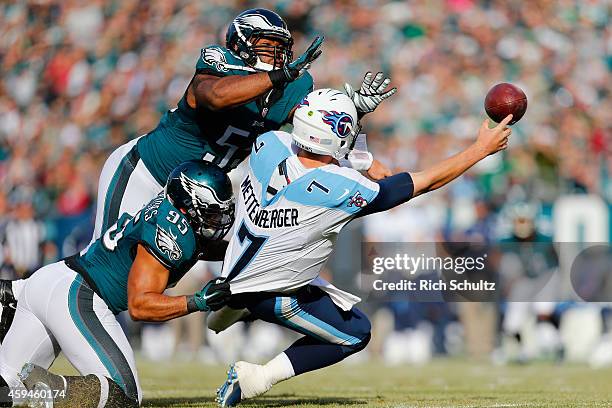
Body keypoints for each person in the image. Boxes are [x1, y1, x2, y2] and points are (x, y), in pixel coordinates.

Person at [0, 7, 395, 343]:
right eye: (268, 47)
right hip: (146, 173)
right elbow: (214, 96)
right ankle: (20, 295)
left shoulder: (293, 86)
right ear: (242, 44)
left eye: (281, 49)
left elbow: (318, 130)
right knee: (104, 269)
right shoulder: (219, 61)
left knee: (236, 248)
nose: (277, 56)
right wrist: (278, 78)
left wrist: (356, 113)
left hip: (199, 192)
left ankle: (238, 303)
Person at [212, 88, 512, 406]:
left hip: (237, 267)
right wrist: (479, 150)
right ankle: (256, 377)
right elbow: (425, 182)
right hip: (274, 289)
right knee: (356, 332)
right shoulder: (338, 189)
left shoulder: (267, 145)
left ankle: (234, 304)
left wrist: (361, 154)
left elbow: (308, 142)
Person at [0, 161, 235, 407]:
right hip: (80, 296)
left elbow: (200, 246)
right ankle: (52, 392)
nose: (219, 219)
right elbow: (139, 305)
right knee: (124, 395)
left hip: (49, 279)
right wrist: (197, 301)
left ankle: (38, 389)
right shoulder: (171, 232)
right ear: (187, 206)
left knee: (7, 389)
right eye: (211, 212)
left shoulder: (171, 214)